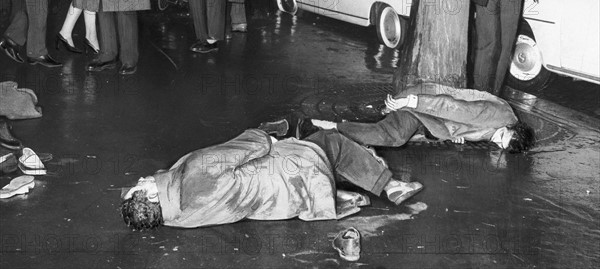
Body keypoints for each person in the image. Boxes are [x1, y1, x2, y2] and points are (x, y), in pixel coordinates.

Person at [120, 126, 423, 230]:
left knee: (317, 147)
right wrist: (266, 136)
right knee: (332, 142)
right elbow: (253, 145)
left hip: (276, 206)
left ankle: (339, 193)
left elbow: (166, 183)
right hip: (287, 176)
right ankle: (391, 186)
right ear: (149, 195)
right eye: (139, 185)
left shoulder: (174, 217)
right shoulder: (197, 170)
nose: (141, 179)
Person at [270, 82, 535, 154]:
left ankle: (328, 129)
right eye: (502, 137)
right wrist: (412, 101)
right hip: (426, 106)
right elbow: (452, 107)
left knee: (391, 133)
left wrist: (459, 136)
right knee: (393, 136)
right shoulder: (499, 115)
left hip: (431, 118)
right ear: (514, 128)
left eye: (500, 145)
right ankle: (315, 126)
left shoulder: (501, 124)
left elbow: (469, 124)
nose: (496, 141)